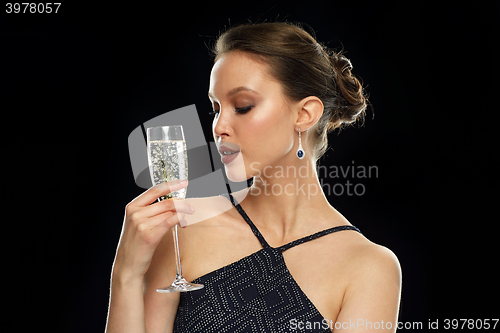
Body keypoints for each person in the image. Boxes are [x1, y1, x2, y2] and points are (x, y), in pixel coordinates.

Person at [106, 22, 401, 333]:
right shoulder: (184, 227)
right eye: (216, 109)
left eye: (242, 107)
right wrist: (125, 275)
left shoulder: (369, 267)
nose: (219, 127)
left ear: (304, 115)